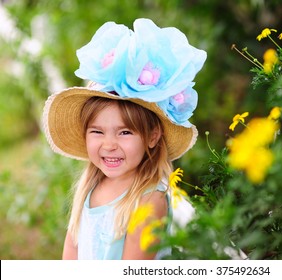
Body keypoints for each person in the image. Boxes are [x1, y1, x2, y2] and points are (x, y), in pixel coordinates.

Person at [42, 18, 207, 260]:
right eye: (97, 132)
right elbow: (71, 254)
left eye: (125, 132)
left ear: (152, 136)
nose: (109, 145)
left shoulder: (149, 200)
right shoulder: (89, 188)